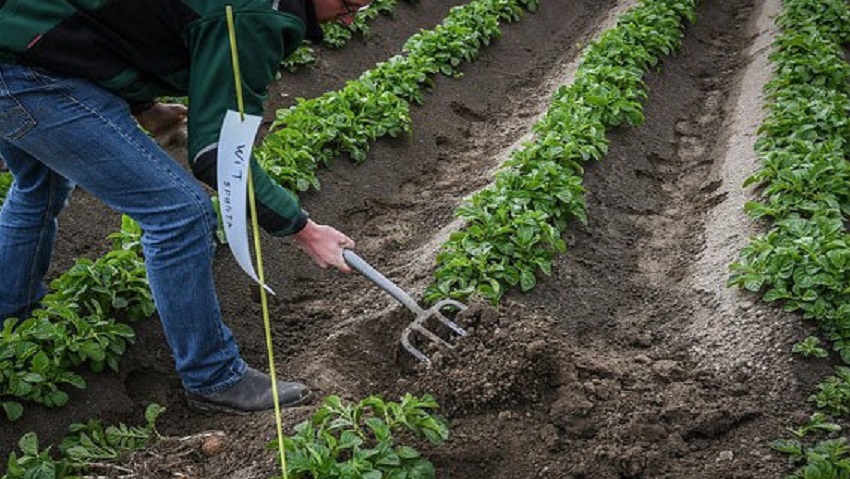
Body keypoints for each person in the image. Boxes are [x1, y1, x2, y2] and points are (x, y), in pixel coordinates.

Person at [0, 0, 368, 414]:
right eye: (349, 3)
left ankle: (11, 317)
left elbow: (117, 20)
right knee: (180, 213)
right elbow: (215, 152)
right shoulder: (259, 14)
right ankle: (213, 376)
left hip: (21, 42)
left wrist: (144, 107)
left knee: (39, 186)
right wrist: (302, 229)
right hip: (27, 72)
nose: (352, 18)